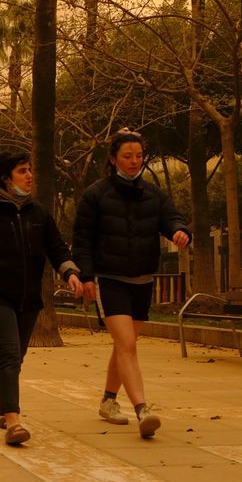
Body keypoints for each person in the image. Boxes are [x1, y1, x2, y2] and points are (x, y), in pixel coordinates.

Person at [0, 152, 84, 446]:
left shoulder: (38, 213)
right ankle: (13, 421)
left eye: (30, 171)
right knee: (10, 354)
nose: (29, 176)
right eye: (22, 171)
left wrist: (71, 273)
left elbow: (57, 248)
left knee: (17, 356)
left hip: (28, 299)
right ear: (5, 177)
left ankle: (2, 402)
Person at [71, 130, 191, 440]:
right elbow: (81, 240)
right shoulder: (95, 195)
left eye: (138, 155)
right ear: (113, 160)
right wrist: (86, 276)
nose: (134, 161)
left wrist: (179, 231)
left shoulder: (153, 194)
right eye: (127, 156)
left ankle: (109, 401)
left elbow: (171, 218)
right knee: (128, 345)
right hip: (108, 278)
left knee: (124, 346)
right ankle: (142, 409)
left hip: (143, 279)